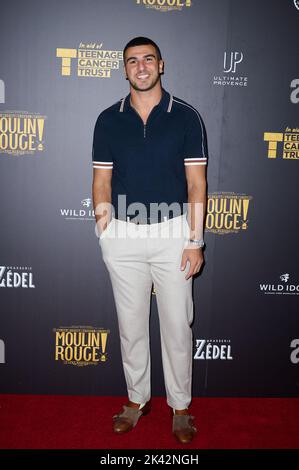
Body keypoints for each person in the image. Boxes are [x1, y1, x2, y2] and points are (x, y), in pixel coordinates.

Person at [92, 37, 208, 444]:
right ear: (124, 70)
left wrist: (195, 241)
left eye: (147, 60)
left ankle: (180, 407)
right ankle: (137, 400)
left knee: (177, 325)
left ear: (161, 65)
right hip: (123, 234)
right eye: (132, 62)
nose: (140, 67)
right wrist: (105, 230)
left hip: (174, 233)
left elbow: (197, 184)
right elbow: (101, 179)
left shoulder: (187, 117)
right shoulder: (108, 119)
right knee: (131, 326)